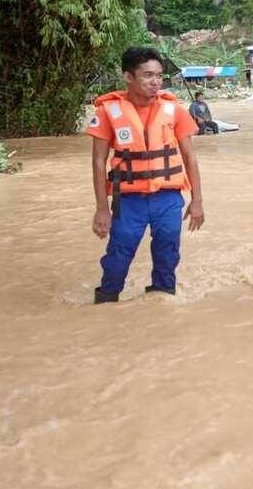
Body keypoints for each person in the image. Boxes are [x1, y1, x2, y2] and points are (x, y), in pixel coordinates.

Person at [88, 47, 206, 303]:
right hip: (128, 200)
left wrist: (197, 201)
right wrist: (101, 208)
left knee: (167, 252)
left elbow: (190, 157)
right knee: (119, 254)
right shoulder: (108, 112)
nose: (155, 82)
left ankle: (161, 304)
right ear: (128, 77)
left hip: (168, 196)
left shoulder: (174, 110)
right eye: (147, 75)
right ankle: (106, 302)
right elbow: (98, 162)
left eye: (159, 76)